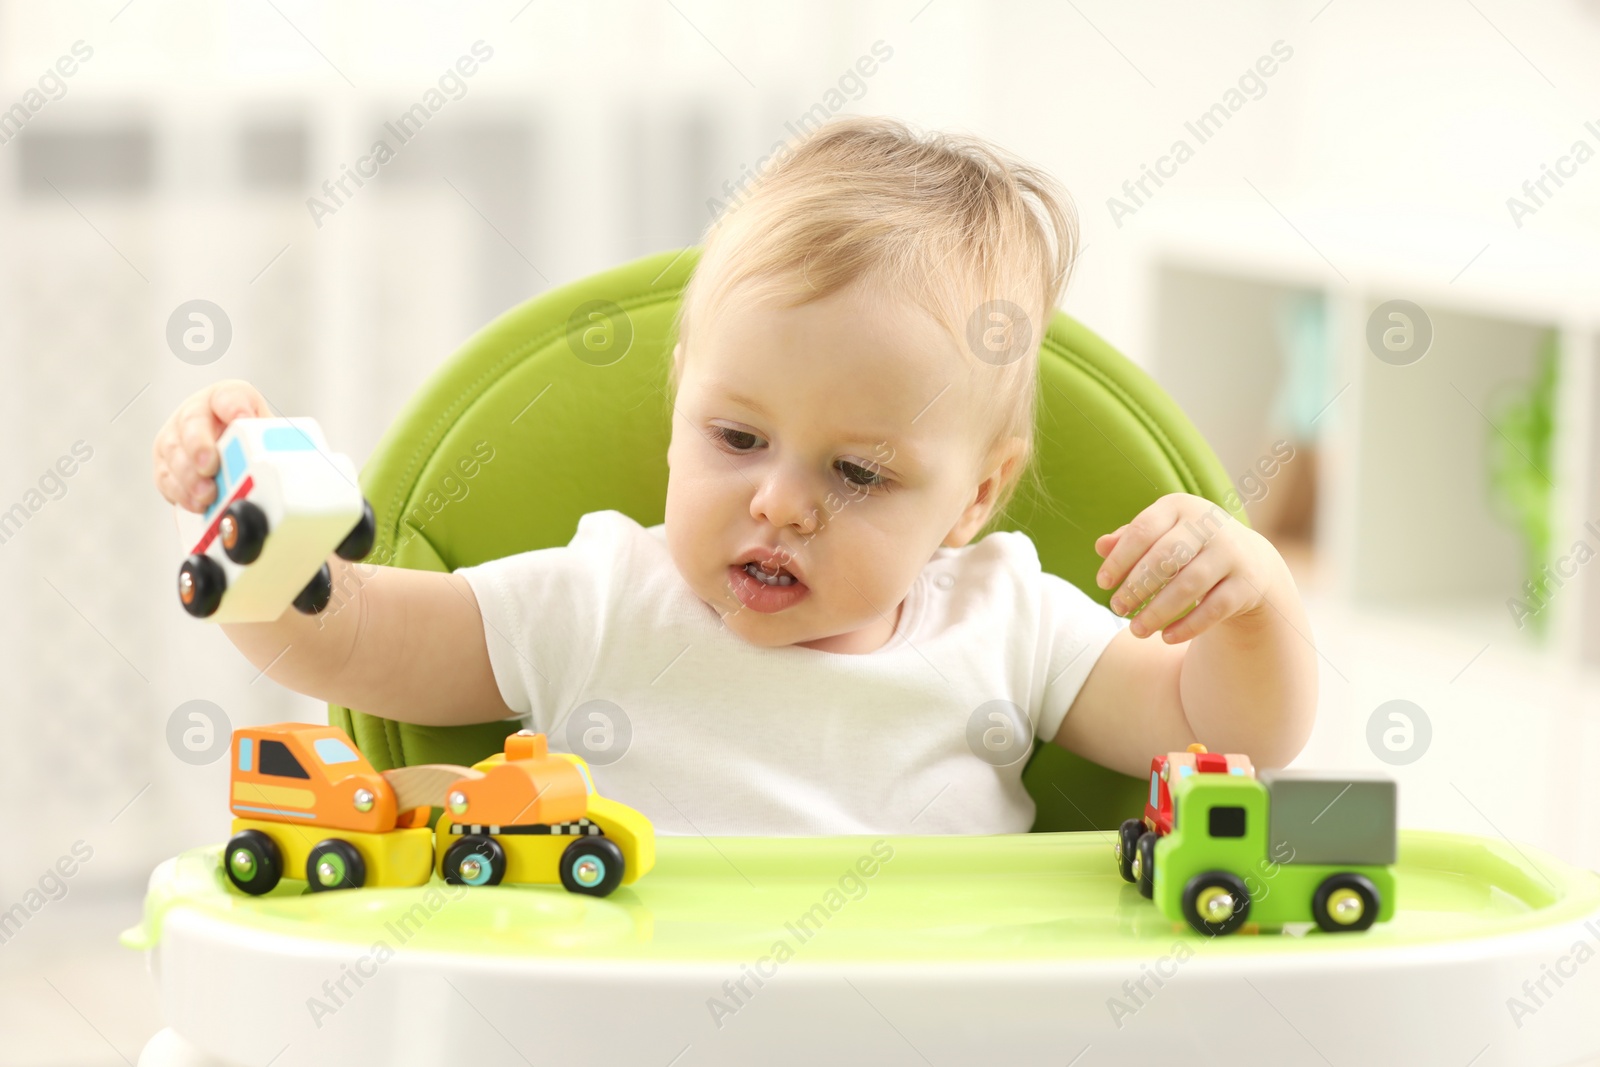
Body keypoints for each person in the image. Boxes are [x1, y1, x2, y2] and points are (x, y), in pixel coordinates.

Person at [151, 115, 1316, 836]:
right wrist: (255, 529)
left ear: (972, 498)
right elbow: (352, 644)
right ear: (677, 411)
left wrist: (1252, 598)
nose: (779, 502)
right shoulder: (603, 595)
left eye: (858, 471)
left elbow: (1230, 731)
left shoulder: (1008, 621)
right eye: (737, 438)